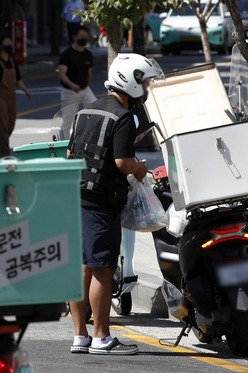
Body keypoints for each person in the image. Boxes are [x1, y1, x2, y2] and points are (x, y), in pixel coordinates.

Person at [67, 54, 164, 355]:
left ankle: (80, 336)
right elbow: (122, 162)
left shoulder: (86, 110)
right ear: (131, 81)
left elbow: (71, 155)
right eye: (144, 81)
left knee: (83, 268)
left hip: (78, 196)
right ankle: (101, 337)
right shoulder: (123, 117)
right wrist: (140, 169)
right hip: (101, 202)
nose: (146, 87)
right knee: (103, 269)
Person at [0, 34, 32, 158]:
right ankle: (5, 156)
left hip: (11, 98)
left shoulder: (12, 61)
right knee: (3, 127)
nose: (10, 45)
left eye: (11, 43)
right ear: (0, 46)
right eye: (7, 43)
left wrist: (26, 90)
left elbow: (18, 80)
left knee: (9, 127)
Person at [58, 25, 96, 109]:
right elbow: (61, 74)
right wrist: (72, 85)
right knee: (68, 122)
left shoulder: (88, 54)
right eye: (82, 36)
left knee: (96, 110)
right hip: (70, 92)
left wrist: (88, 88)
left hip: (85, 90)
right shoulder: (67, 54)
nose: (84, 39)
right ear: (74, 37)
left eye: (86, 37)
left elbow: (89, 73)